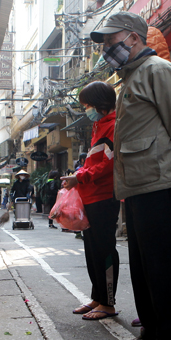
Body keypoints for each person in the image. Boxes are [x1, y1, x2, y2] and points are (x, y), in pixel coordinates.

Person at [90, 11, 171, 340]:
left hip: (159, 182)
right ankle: (151, 332)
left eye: (112, 41)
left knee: (160, 266)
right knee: (141, 265)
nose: (108, 49)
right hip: (137, 186)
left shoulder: (159, 71)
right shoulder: (132, 76)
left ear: (134, 38)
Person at [62, 84, 120, 320]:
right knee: (91, 249)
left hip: (105, 197)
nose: (85, 109)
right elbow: (95, 161)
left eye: (87, 104)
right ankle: (98, 297)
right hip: (90, 197)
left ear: (99, 103)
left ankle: (108, 303)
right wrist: (78, 174)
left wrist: (80, 177)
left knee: (104, 249)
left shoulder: (114, 126)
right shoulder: (99, 126)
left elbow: (109, 164)